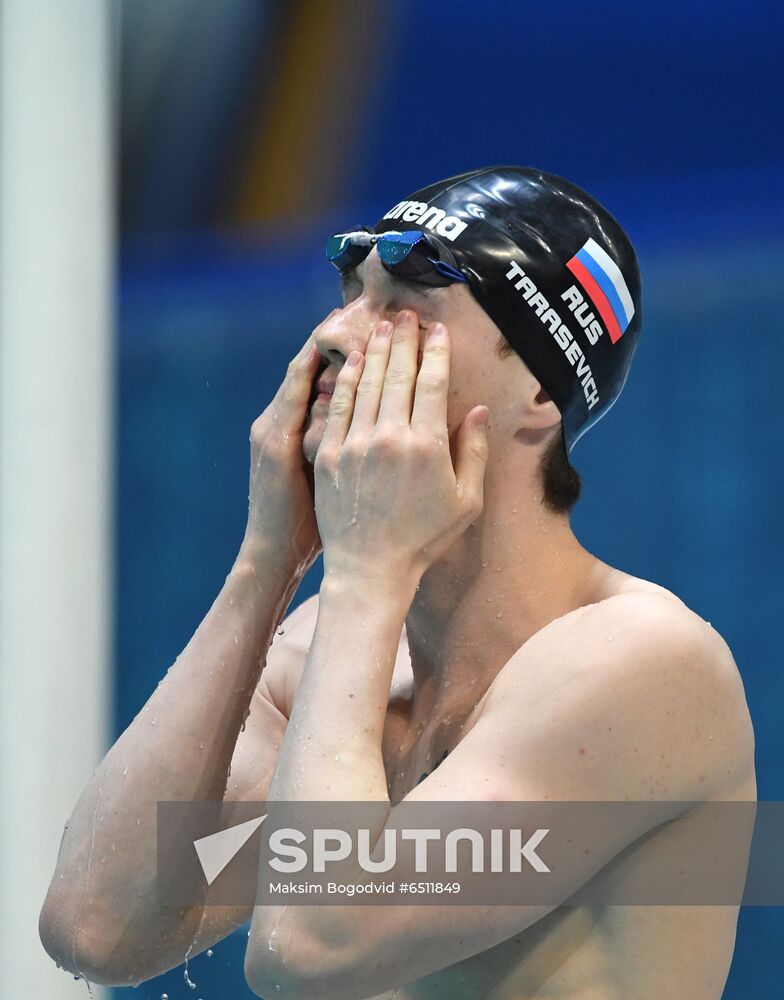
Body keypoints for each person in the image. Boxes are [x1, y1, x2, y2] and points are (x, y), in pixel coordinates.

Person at [40, 167, 756, 999]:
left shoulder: (644, 661)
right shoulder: (331, 656)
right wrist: (269, 563)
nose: (339, 332)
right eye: (350, 290)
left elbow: (311, 943)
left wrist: (367, 569)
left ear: (536, 390)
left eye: (409, 301)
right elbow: (96, 927)